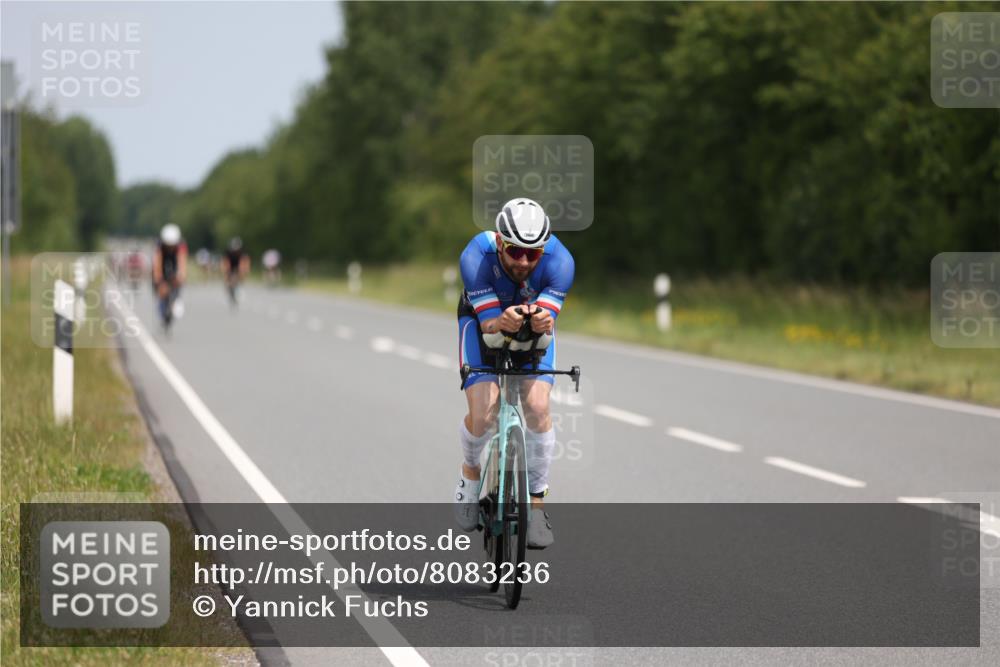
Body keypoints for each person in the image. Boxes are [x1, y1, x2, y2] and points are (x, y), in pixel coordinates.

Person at [453, 198, 574, 549]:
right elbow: (490, 327)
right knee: (484, 409)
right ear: (500, 242)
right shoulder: (475, 256)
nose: (523, 262)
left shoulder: (561, 262)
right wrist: (500, 321)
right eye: (515, 251)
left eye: (532, 255)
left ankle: (535, 504)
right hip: (480, 324)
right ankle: (471, 473)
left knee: (537, 407)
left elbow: (547, 323)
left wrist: (542, 320)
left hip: (533, 332)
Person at [151, 223, 187, 331]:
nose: (170, 247)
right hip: (162, 264)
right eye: (168, 245)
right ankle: (162, 307)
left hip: (175, 263)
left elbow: (182, 262)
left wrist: (181, 276)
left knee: (178, 282)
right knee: (161, 288)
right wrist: (159, 279)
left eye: (172, 245)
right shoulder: (159, 245)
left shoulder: (181, 245)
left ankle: (175, 300)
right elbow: (157, 263)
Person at [221, 237, 250, 306]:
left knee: (240, 275)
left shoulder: (242, 253)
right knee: (228, 278)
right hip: (230, 265)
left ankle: (239, 287)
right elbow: (224, 262)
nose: (235, 251)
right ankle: (228, 289)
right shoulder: (228, 252)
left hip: (238, 265)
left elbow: (245, 262)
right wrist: (225, 271)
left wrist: (244, 270)